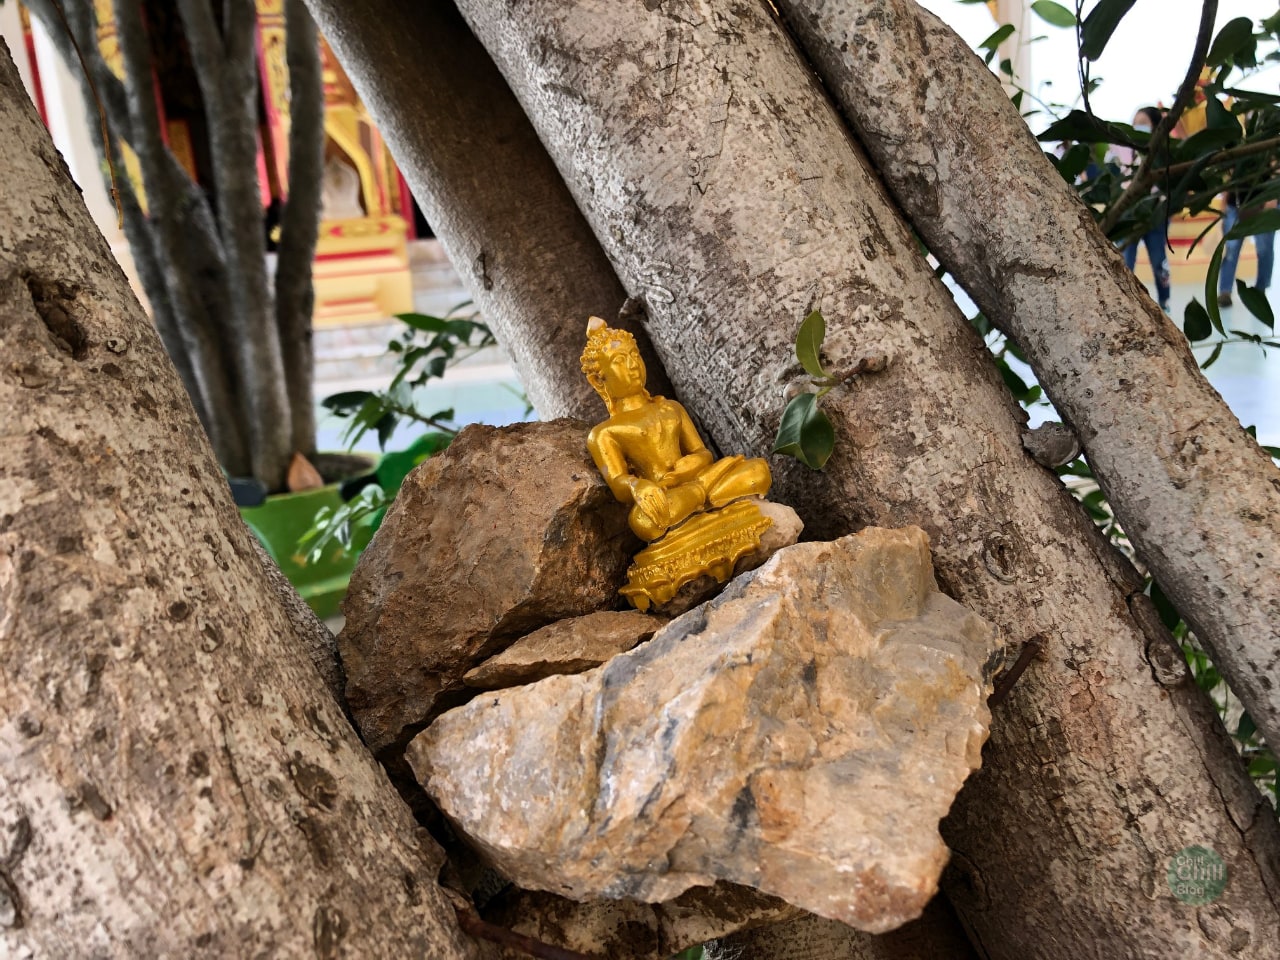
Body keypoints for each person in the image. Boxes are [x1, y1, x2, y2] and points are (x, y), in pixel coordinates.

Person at [581, 317, 770, 542]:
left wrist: (692, 466)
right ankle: (707, 500)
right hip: (665, 494)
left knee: (758, 470)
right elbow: (619, 483)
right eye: (620, 360)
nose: (633, 365)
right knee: (644, 521)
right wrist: (637, 485)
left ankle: (700, 499)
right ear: (598, 380)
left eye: (634, 355)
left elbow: (702, 453)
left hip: (696, 479)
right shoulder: (605, 433)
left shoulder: (670, 407)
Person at [1120, 106, 1172, 313]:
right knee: (1124, 261)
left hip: (1155, 214)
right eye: (1135, 122)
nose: (1137, 127)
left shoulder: (1163, 154)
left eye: (1143, 123)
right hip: (1129, 214)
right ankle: (1124, 304)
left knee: (1159, 261)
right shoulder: (1125, 150)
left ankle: (1165, 303)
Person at [1217, 195, 1275, 307]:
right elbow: (1229, 178)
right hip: (1234, 204)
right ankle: (1225, 291)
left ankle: (1261, 290)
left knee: (1265, 250)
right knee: (1230, 248)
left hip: (1264, 201)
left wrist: (1273, 198)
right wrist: (1224, 202)